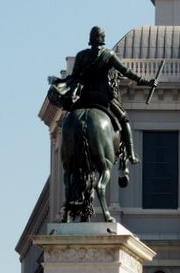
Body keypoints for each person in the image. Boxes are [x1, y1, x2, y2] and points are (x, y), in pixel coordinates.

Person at [49, 25, 158, 184]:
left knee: (69, 120)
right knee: (124, 119)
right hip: (103, 97)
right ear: (102, 39)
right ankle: (130, 154)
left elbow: (74, 77)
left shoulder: (81, 56)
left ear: (91, 39)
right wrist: (146, 82)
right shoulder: (108, 55)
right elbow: (126, 72)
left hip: (84, 98)